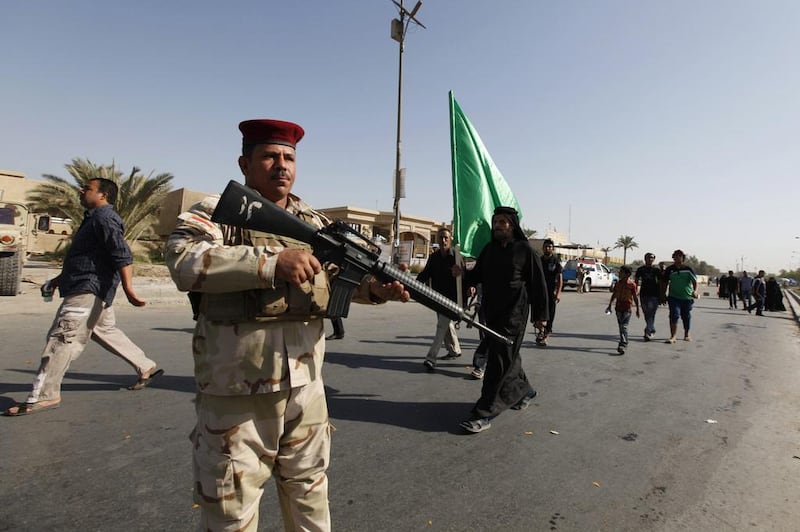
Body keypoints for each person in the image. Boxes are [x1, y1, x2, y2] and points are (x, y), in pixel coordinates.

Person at [165, 119, 409, 531]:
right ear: (245, 163)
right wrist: (270, 263)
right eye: (270, 156)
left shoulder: (313, 223)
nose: (282, 165)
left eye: (289, 157)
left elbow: (333, 279)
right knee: (231, 509)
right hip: (237, 392)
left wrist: (375, 289)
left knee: (310, 496)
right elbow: (183, 261)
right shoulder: (216, 211)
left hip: (306, 388)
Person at [4, 178, 160, 416]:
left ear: (103, 195)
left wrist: (130, 290)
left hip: (88, 290)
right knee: (102, 330)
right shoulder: (93, 219)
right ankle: (145, 365)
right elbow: (88, 258)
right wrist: (58, 280)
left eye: (87, 188)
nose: (81, 191)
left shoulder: (104, 218)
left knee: (61, 339)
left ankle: (45, 395)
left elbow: (122, 254)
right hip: (88, 286)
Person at [455, 206, 548, 433]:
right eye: (495, 221)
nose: (498, 225)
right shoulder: (490, 250)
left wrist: (540, 317)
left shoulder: (525, 250)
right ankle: (526, 391)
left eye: (503, 222)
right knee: (509, 359)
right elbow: (476, 276)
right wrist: (462, 275)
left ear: (512, 225)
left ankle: (483, 414)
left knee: (498, 363)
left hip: (513, 317)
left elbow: (538, 286)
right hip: (492, 315)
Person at [416, 227, 465, 370]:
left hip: (452, 299)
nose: (443, 240)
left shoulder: (456, 257)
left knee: (441, 325)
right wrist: (411, 285)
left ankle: (431, 358)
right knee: (445, 324)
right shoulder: (434, 257)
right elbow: (425, 274)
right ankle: (454, 350)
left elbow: (465, 278)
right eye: (441, 238)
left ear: (450, 239)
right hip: (437, 298)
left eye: (446, 238)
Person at [661, 249, 698, 343]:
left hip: (687, 297)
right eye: (676, 256)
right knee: (674, 315)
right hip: (673, 297)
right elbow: (664, 282)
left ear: (683, 258)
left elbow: (694, 281)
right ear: (673, 257)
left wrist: (695, 291)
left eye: (680, 256)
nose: (677, 257)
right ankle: (673, 336)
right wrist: (663, 294)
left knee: (686, 316)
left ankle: (687, 334)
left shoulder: (688, 269)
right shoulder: (670, 269)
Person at [606, 265, 640, 355]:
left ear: (627, 274)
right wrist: (609, 305)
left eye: (621, 272)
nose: (619, 273)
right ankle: (624, 341)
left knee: (623, 326)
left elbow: (635, 297)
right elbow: (614, 294)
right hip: (618, 307)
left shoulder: (632, 285)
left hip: (627, 308)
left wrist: (637, 309)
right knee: (621, 326)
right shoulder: (618, 283)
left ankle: (623, 344)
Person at [537, 238, 562, 347]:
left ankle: (545, 336)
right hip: (540, 292)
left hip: (551, 292)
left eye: (550, 247)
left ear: (553, 249)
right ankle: (541, 332)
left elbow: (560, 278)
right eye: (546, 246)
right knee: (539, 314)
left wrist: (558, 292)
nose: (548, 248)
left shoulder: (555, 261)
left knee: (550, 315)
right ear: (543, 248)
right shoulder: (539, 260)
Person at [634, 252, 661, 341]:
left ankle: (648, 331)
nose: (650, 259)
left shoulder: (656, 270)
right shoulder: (641, 269)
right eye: (648, 257)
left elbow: (661, 282)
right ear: (645, 259)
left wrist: (662, 294)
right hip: (644, 294)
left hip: (654, 294)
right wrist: (635, 290)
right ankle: (651, 329)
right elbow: (636, 280)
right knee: (646, 313)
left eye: (652, 258)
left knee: (651, 313)